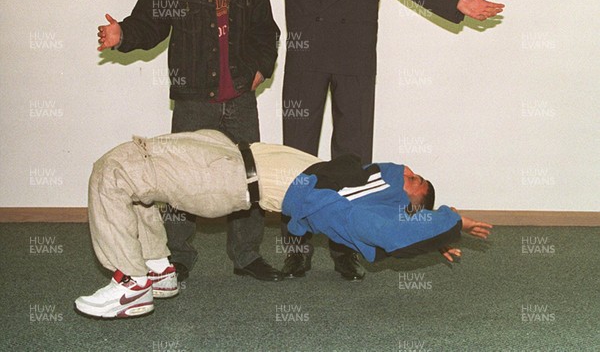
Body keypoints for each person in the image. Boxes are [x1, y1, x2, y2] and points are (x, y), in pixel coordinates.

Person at [233, 0, 505, 280]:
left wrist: (455, 1)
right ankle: (296, 249)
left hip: (357, 56)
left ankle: (346, 248)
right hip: (304, 56)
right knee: (298, 158)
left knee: (354, 160)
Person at [74, 129, 492, 319]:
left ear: (405, 201)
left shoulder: (345, 206)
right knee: (140, 182)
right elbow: (399, 223)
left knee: (115, 170)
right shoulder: (343, 179)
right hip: (231, 151)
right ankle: (156, 270)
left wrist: (447, 222)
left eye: (414, 181)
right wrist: (434, 235)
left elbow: (386, 229)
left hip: (230, 175)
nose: (408, 171)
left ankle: (130, 284)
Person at [96, 0, 282, 282]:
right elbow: (147, 26)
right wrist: (122, 36)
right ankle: (177, 255)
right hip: (194, 100)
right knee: (179, 182)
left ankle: (247, 256)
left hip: (240, 101)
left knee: (250, 181)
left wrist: (261, 70)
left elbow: (268, 33)